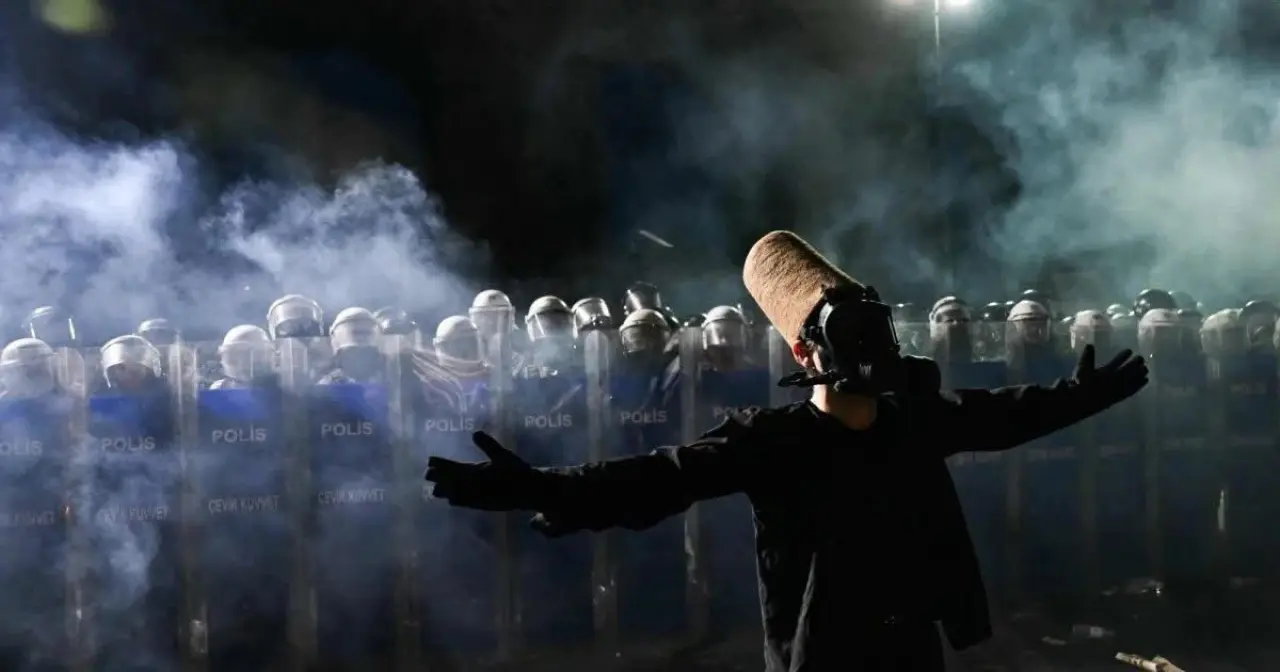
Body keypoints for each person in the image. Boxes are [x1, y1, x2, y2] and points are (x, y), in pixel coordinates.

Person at [424, 231, 1149, 672]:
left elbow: (1009, 413)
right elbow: (657, 477)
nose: (871, 347)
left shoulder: (900, 422)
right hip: (825, 657)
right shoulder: (786, 440)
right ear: (810, 350)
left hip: (903, 651)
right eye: (855, 333)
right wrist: (544, 489)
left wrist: (1083, 396)